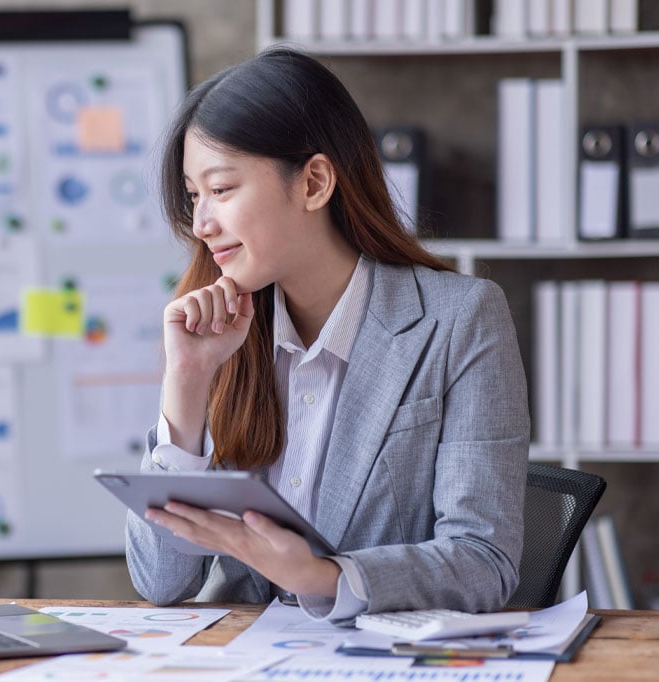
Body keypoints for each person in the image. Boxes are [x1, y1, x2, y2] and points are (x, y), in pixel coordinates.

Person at [125, 48, 529, 621]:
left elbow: (483, 563)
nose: (201, 224)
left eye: (221, 189)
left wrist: (321, 576)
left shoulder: (458, 320)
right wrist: (186, 384)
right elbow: (160, 581)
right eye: (194, 196)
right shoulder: (220, 331)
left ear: (314, 182)